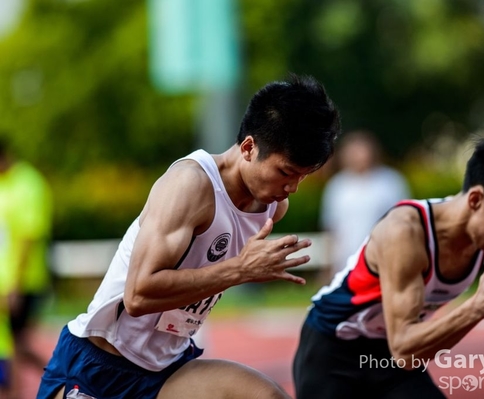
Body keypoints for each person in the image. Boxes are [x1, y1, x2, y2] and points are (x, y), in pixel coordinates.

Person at [37, 74, 341, 399]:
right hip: (100, 364)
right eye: (285, 172)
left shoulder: (272, 207)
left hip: (168, 371)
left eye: (302, 177)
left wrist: (245, 270)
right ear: (249, 147)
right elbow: (138, 296)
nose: (291, 188)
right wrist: (240, 270)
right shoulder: (189, 185)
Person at [293, 136, 484, 399]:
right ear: (475, 200)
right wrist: (475, 309)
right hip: (333, 348)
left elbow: (412, 355)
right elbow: (405, 348)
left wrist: (475, 312)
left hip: (388, 354)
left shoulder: (481, 240)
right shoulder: (404, 232)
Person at [0, 138, 53, 398]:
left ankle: (61, 378)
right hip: (6, 281)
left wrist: (16, 284)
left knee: (16, 344)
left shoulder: (27, 184)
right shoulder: (5, 183)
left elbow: (27, 237)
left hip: (24, 281)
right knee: (12, 345)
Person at [320, 130, 411, 276]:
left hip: (384, 259)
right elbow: (332, 229)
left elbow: (405, 221)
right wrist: (328, 265)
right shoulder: (337, 186)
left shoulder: (391, 182)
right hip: (346, 262)